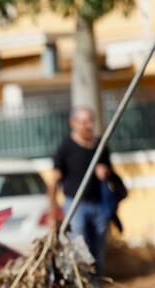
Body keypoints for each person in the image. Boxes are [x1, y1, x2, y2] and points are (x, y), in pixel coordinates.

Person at [48, 107, 113, 277]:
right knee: (80, 247)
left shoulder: (100, 146)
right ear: (73, 123)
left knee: (98, 248)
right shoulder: (65, 149)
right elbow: (53, 181)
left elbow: (111, 173)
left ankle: (98, 284)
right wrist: (53, 212)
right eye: (85, 122)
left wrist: (105, 172)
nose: (89, 126)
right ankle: (83, 284)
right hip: (76, 207)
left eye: (91, 121)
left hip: (98, 205)